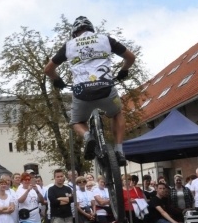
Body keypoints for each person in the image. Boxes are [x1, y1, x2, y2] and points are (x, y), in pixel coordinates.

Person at [44, 16, 136, 164]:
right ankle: (119, 150)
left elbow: (48, 69)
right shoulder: (105, 39)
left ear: (74, 33)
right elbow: (131, 58)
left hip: (82, 92)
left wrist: (57, 80)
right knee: (117, 113)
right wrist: (124, 70)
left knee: (77, 122)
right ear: (92, 29)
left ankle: (88, 136)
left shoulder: (69, 45)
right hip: (105, 88)